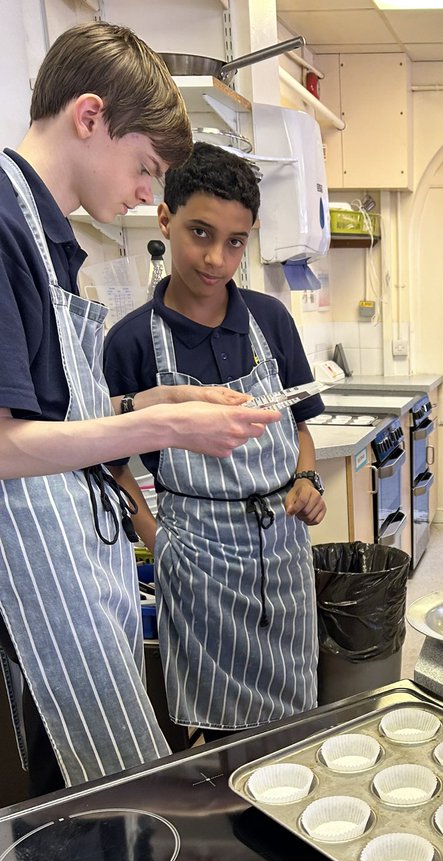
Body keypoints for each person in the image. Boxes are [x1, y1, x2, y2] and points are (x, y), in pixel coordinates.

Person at [0, 23, 281, 797]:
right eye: (146, 168)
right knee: (90, 827)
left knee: (119, 804)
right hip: (38, 585)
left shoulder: (48, 235)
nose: (146, 194)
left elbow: (57, 409)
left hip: (83, 569)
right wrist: (163, 426)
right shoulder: (1, 226)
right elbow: (3, 445)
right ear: (90, 117)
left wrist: (154, 398)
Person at [104, 143, 326, 743]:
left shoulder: (270, 320)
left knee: (292, 724)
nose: (216, 258)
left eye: (235, 241)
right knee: (219, 733)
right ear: (166, 220)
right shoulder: (131, 344)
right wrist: (157, 538)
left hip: (281, 548)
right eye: (200, 232)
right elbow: (110, 464)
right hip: (195, 557)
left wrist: (306, 480)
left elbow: (298, 424)